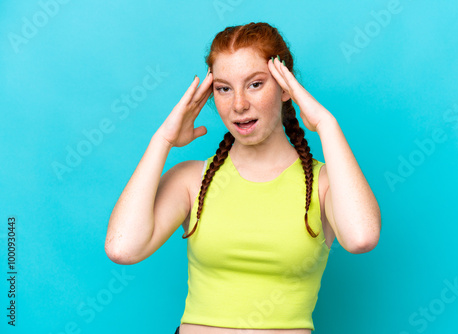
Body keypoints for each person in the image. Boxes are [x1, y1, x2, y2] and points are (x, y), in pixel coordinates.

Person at [105, 22, 381, 334]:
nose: (238, 104)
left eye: (255, 84)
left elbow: (362, 237)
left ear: (286, 86)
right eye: (224, 88)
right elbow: (123, 248)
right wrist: (162, 140)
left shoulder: (324, 184)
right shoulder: (191, 179)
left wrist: (327, 125)